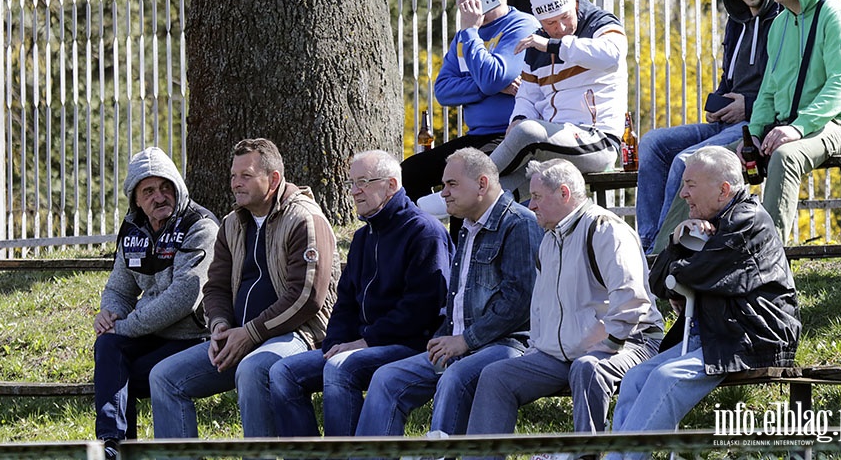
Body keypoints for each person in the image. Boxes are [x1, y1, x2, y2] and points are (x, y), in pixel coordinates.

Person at [607, 147, 801, 460]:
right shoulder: (707, 221)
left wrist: (679, 273)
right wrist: (675, 240)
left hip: (751, 336)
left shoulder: (747, 220)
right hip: (714, 331)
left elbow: (691, 276)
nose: (682, 194)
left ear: (723, 189)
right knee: (634, 379)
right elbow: (658, 284)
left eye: (691, 185)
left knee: (664, 378)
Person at [464, 158, 663, 451]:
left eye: (537, 197)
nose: (531, 206)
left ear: (564, 194)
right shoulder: (549, 239)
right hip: (564, 352)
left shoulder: (605, 229)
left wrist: (608, 344)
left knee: (587, 368)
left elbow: (631, 298)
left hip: (631, 343)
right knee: (496, 376)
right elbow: (541, 307)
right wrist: (535, 351)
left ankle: (587, 455)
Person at [149, 138, 338, 440]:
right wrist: (221, 326)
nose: (236, 183)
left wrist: (251, 333)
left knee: (251, 370)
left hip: (299, 336)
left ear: (273, 179)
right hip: (239, 335)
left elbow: (306, 297)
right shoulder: (230, 224)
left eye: (245, 176)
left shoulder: (304, 218)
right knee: (164, 376)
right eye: (233, 176)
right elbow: (216, 287)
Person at [356, 147, 541, 441]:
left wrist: (464, 341)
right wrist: (445, 338)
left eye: (451, 184)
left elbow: (518, 302)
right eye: (443, 185)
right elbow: (457, 297)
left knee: (454, 378)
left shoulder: (519, 224)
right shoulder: (467, 226)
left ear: (482, 184)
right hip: (460, 342)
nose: (443, 193)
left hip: (507, 344)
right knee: (386, 378)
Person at [268, 150, 451, 437]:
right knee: (284, 373)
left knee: (340, 368)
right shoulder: (363, 237)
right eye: (352, 183)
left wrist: (366, 342)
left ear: (391, 185)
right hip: (364, 343)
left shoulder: (424, 232)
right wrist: (335, 343)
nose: (354, 191)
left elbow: (421, 310)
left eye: (363, 182)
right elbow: (346, 303)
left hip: (411, 345)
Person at [636, 0, 781, 253]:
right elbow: (730, 76)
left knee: (685, 162)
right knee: (653, 143)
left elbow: (784, 87)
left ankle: (663, 249)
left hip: (755, 126)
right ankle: (646, 240)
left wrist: (750, 106)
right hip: (726, 121)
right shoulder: (736, 22)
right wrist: (717, 102)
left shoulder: (782, 21)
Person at [739, 0, 841, 243]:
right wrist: (754, 133)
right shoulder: (779, 24)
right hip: (792, 126)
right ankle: (675, 257)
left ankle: (769, 261)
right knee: (711, 160)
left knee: (785, 156)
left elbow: (840, 87)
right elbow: (768, 91)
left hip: (840, 124)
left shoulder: (837, 17)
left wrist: (797, 128)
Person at [94, 147, 218, 459]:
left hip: (194, 337)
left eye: (165, 188)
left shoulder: (199, 226)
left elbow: (183, 298)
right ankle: (113, 445)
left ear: (177, 188)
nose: (159, 197)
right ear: (135, 198)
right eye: (148, 191)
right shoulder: (133, 229)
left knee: (123, 376)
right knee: (108, 347)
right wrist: (109, 313)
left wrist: (124, 325)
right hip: (152, 336)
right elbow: (119, 289)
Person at [402, 0, 539, 207]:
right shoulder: (465, 35)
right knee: (409, 173)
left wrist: (472, 35)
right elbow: (443, 91)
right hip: (476, 137)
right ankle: (428, 237)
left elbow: (493, 77)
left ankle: (464, 243)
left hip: (509, 136)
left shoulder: (521, 26)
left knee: (463, 182)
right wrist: (492, 87)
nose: (462, 3)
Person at [487, 0, 628, 198]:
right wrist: (518, 118)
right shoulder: (537, 42)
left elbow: (613, 55)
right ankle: (462, 203)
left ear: (574, 3)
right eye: (550, 24)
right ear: (539, 22)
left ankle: (473, 180)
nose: (560, 28)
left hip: (597, 142)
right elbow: (527, 96)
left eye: (565, 17)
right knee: (493, 195)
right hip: (552, 146)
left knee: (528, 132)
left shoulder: (599, 22)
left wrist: (554, 45)